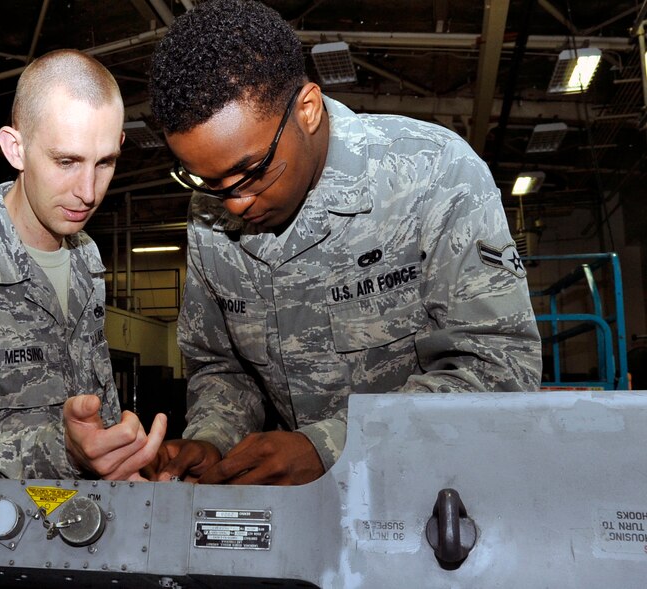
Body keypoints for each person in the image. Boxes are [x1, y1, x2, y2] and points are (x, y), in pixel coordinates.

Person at [143, 0, 543, 485]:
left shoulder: (433, 175)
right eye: (207, 181)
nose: (233, 204)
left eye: (250, 172)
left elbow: (499, 369)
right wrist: (213, 441)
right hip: (297, 508)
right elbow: (221, 367)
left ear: (307, 109)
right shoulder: (209, 215)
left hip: (432, 489)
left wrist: (332, 446)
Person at [0, 49, 165, 480]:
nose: (89, 191)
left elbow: (95, 408)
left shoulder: (87, 258)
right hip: (0, 539)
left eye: (105, 163)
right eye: (66, 161)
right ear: (15, 148)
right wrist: (66, 453)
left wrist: (123, 464)